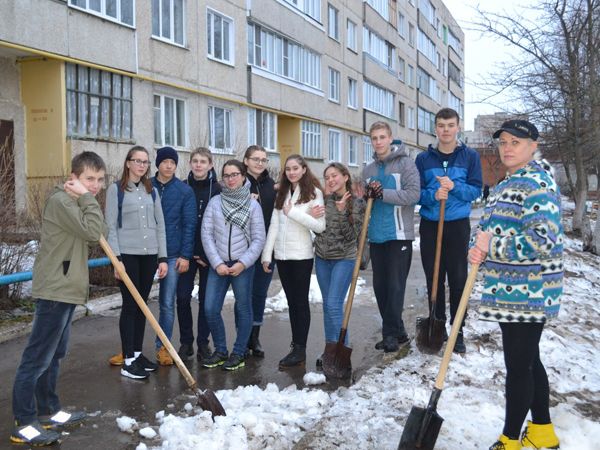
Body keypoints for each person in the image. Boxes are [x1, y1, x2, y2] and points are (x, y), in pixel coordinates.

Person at [468, 120, 563, 450]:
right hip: (511, 290)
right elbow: (488, 226)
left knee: (518, 366)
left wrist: (491, 246)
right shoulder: (509, 183)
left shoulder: (537, 184)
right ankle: (542, 432)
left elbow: (542, 241)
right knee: (529, 360)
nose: (507, 148)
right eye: (504, 142)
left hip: (530, 291)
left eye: (516, 142)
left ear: (533, 146)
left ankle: (509, 439)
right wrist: (476, 244)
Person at [11, 152, 108, 446]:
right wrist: (87, 199)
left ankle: (49, 409)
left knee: (54, 355)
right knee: (37, 358)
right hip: (55, 289)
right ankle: (24, 422)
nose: (95, 185)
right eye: (89, 179)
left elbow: (96, 231)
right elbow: (95, 232)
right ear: (74, 178)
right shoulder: (63, 201)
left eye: (100, 180)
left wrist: (86, 200)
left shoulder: (75, 202)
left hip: (65, 288)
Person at [415, 107, 483, 354]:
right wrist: (433, 195)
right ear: (436, 128)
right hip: (431, 225)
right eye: (441, 126)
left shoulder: (470, 156)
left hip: (456, 226)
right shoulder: (423, 159)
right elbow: (416, 194)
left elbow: (476, 191)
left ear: (458, 128)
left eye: (450, 125)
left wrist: (454, 187)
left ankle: (458, 330)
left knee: (457, 279)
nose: (446, 130)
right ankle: (437, 326)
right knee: (434, 277)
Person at [105, 146, 168, 380]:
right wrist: (117, 260)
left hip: (149, 255)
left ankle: (138, 353)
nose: (142, 166)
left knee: (142, 305)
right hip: (128, 256)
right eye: (137, 161)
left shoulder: (151, 190)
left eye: (145, 162)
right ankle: (128, 360)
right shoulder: (116, 190)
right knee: (130, 305)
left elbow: (160, 225)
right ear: (128, 163)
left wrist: (162, 257)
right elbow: (110, 227)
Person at [262, 154, 326, 369]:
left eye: (295, 168)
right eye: (288, 169)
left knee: (300, 303)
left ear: (304, 169)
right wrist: (266, 255)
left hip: (301, 257)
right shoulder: (281, 192)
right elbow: (273, 225)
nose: (291, 172)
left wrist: (294, 213)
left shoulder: (314, 193)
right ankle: (296, 347)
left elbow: (319, 227)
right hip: (282, 256)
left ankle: (300, 349)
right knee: (292, 304)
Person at [201, 160, 266, 370]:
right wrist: (217, 262)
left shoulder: (253, 205)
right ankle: (220, 350)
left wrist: (243, 263)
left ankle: (238, 353)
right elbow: (207, 235)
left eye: (234, 174)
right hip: (218, 265)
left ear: (243, 176)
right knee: (210, 308)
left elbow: (258, 239)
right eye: (227, 175)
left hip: (242, 266)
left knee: (244, 308)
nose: (230, 179)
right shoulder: (215, 203)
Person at [362, 122, 420, 353]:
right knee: (381, 287)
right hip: (377, 236)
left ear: (390, 138)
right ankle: (399, 332)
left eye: (382, 137)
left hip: (398, 235)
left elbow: (414, 195)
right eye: (374, 138)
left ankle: (389, 335)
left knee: (396, 287)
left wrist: (382, 193)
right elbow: (367, 204)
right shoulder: (367, 171)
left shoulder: (406, 164)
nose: (378, 142)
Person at [314, 163, 365, 366]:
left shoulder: (357, 203)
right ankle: (330, 349)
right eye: (327, 177)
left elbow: (353, 237)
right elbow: (319, 229)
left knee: (334, 305)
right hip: (322, 259)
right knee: (327, 306)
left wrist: (343, 212)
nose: (330, 180)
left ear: (345, 177)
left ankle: (341, 352)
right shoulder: (324, 201)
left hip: (344, 259)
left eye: (334, 175)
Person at [149, 147, 196, 365]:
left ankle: (164, 347)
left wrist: (185, 255)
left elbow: (189, 225)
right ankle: (130, 349)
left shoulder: (184, 191)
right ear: (157, 163)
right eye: (165, 161)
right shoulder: (145, 187)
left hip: (171, 253)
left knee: (167, 303)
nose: (169, 166)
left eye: (173, 162)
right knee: (135, 302)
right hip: (145, 252)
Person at [176, 147, 221, 362]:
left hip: (209, 255)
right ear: (190, 164)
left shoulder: (219, 190)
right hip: (185, 253)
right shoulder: (182, 188)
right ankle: (186, 343)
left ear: (210, 165)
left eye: (203, 161)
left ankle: (203, 343)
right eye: (195, 161)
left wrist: (208, 253)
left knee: (206, 300)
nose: (198, 165)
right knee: (183, 297)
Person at [242, 146, 277, 357]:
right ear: (246, 161)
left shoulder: (271, 185)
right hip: (243, 249)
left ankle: (254, 338)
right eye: (255, 159)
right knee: (243, 295)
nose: (260, 163)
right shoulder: (238, 183)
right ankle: (242, 338)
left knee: (259, 295)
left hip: (266, 250)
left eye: (263, 160)